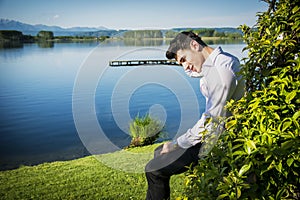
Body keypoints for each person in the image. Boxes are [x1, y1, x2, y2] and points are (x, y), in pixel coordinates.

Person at [144, 31, 245, 200]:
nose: (185, 67)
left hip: (219, 142)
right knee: (159, 151)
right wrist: (190, 62)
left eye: (183, 59)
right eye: (180, 64)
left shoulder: (222, 70)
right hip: (213, 136)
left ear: (194, 45)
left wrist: (177, 143)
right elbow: (197, 70)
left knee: (154, 170)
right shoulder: (213, 66)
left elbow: (212, 119)